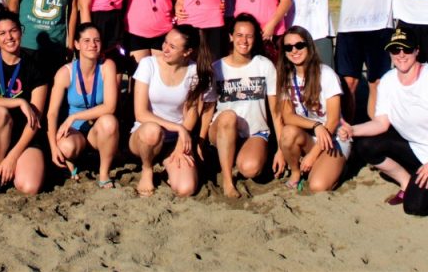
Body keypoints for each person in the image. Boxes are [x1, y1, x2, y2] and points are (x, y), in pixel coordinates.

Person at [339, 28, 428, 216]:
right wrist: (352, 130)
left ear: (417, 51)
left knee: (415, 207)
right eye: (395, 50)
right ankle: (405, 182)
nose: (401, 55)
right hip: (418, 147)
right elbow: (381, 123)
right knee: (366, 145)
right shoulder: (388, 81)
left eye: (407, 49)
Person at [0, 8, 51, 196]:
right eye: (2, 33)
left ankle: (9, 163)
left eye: (13, 30)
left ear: (21, 31)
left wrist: (13, 156)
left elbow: (35, 120)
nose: (9, 37)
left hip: (24, 135)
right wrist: (19, 102)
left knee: (29, 187)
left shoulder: (36, 66)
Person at [129, 25, 213, 197]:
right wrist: (178, 128)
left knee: (186, 188)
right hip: (144, 134)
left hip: (175, 139)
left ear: (187, 52)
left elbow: (191, 113)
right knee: (153, 130)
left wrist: (180, 145)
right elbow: (140, 113)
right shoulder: (148, 64)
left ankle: (168, 163)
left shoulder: (194, 71)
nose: (165, 49)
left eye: (172, 47)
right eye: (165, 42)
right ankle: (147, 169)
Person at [208, 14, 284, 198]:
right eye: (239, 35)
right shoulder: (217, 68)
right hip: (222, 128)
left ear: (255, 38)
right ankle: (227, 180)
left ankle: (238, 155)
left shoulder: (264, 65)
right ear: (231, 36)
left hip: (255, 131)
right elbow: (207, 109)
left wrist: (281, 150)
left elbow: (276, 111)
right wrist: (200, 141)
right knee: (228, 116)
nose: (244, 40)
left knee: (250, 169)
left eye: (249, 36)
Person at [274, 25, 349, 192]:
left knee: (317, 185)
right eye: (288, 47)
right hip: (311, 134)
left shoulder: (326, 74)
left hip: (334, 138)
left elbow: (334, 120)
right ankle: (295, 173)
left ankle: (338, 166)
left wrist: (312, 155)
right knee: (288, 132)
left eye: (299, 45)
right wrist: (316, 126)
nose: (294, 50)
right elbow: (288, 116)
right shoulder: (286, 76)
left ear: (308, 46)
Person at [46, 23, 120, 188]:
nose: (92, 45)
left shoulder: (107, 66)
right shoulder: (65, 73)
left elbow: (110, 107)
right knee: (65, 147)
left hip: (97, 130)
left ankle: (103, 173)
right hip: (75, 131)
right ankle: (72, 161)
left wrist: (74, 116)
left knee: (110, 121)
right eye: (86, 41)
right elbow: (52, 113)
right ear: (77, 44)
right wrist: (53, 147)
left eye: (96, 40)